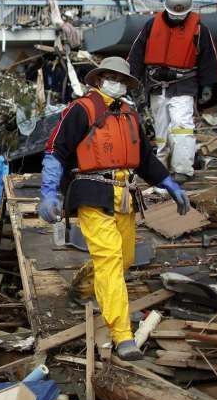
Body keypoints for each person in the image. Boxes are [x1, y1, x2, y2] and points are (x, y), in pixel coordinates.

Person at [38, 57, 189, 361]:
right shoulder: (81, 110)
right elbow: (56, 151)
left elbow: (145, 158)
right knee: (109, 260)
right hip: (92, 192)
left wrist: (170, 183)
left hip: (125, 194)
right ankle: (122, 335)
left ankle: (82, 289)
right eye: (111, 77)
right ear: (98, 79)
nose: (117, 83)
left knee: (124, 258)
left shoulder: (129, 114)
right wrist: (48, 192)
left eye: (122, 79)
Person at [128, 0, 217, 183]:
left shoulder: (199, 30)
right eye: (174, 14)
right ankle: (161, 168)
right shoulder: (151, 25)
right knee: (161, 130)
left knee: (181, 125)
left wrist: (207, 86)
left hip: (184, 84)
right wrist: (133, 81)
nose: (177, 18)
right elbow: (136, 54)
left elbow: (208, 58)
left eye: (181, 15)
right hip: (156, 84)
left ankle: (182, 168)